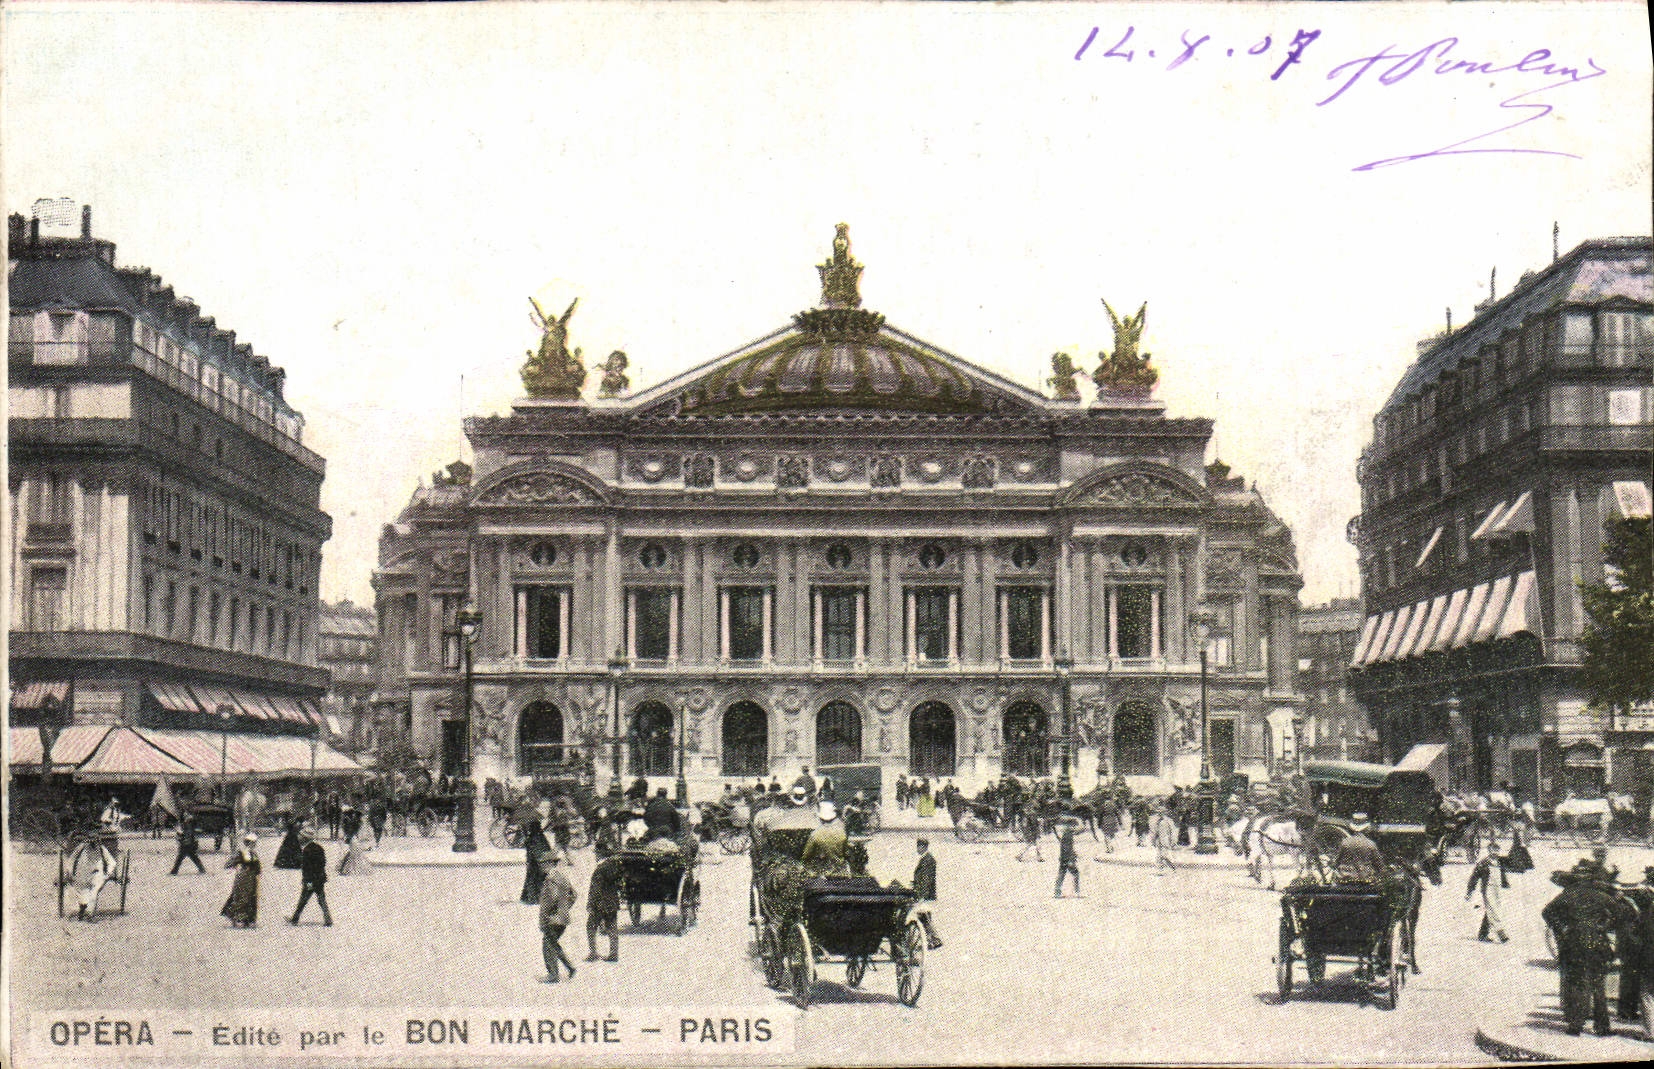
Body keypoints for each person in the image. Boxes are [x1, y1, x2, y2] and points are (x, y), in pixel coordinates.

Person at [1543, 859, 1633, 1036]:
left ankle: (1575, 1025)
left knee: (1577, 984)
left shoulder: (1568, 894)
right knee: (1598, 986)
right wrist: (1606, 926)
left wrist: (1563, 927)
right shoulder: (1601, 895)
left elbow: (1547, 912)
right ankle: (1602, 1027)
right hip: (1597, 942)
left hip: (1573, 942)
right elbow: (1623, 914)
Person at [537, 848, 579, 982]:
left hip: (552, 919)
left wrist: (544, 918)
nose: (541, 866)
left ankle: (553, 975)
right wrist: (564, 908)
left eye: (544, 863)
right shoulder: (562, 877)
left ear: (550, 863)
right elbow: (574, 895)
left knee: (547, 945)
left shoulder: (550, 879)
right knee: (553, 943)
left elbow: (550, 900)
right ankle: (570, 967)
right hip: (563, 918)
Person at [288, 826, 333, 926]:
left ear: (305, 839)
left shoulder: (306, 851)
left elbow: (307, 868)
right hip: (320, 879)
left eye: (301, 837)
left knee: (303, 900)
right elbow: (323, 863)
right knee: (322, 899)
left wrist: (308, 881)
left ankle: (294, 919)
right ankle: (328, 919)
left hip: (310, 880)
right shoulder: (319, 848)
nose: (299, 838)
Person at [1465, 840, 1509, 942]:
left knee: (1492, 910)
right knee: (1493, 909)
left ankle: (1482, 934)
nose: (1495, 853)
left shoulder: (1499, 862)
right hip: (1487, 889)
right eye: (1493, 850)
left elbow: (1502, 874)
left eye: (1497, 851)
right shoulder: (1483, 863)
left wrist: (1505, 883)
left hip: (1497, 889)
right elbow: (1474, 877)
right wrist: (1470, 891)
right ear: (1489, 851)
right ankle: (1501, 934)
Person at [585, 854, 623, 963]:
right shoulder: (615, 868)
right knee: (612, 927)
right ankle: (614, 953)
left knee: (590, 926)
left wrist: (591, 903)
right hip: (612, 902)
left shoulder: (600, 869)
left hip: (600, 903)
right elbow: (619, 885)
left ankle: (593, 953)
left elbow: (595, 888)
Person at [221, 833, 262, 928]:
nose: (254, 845)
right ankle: (236, 917)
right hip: (243, 878)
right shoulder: (242, 852)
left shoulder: (254, 853)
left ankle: (247, 919)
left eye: (254, 843)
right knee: (242, 897)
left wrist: (257, 873)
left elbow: (258, 867)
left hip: (252, 878)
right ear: (248, 843)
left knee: (251, 897)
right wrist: (236, 865)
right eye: (252, 843)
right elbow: (229, 863)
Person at [1333, 813, 1385, 884]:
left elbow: (1336, 862)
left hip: (1345, 880)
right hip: (1364, 880)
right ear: (1366, 829)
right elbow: (1379, 865)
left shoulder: (1344, 842)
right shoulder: (1371, 844)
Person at [802, 801, 849, 874]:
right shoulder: (842, 833)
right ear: (833, 818)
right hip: (839, 871)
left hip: (822, 872)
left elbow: (806, 857)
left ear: (820, 818)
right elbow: (846, 853)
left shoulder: (815, 834)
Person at [912, 838, 943, 949]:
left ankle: (934, 940)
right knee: (924, 918)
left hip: (926, 896)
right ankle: (931, 940)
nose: (918, 849)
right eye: (917, 846)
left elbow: (926, 880)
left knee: (925, 918)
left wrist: (921, 896)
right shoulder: (926, 859)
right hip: (925, 895)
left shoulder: (928, 860)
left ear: (924, 847)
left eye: (919, 846)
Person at [520, 817, 552, 905]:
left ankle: (529, 898)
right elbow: (545, 849)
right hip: (538, 862)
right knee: (537, 880)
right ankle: (535, 898)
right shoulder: (539, 837)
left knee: (531, 880)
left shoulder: (531, 838)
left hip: (533, 862)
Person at [1054, 818, 1081, 897]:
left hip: (1063, 858)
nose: (1075, 828)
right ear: (1071, 825)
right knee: (1076, 873)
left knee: (1061, 874)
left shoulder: (1065, 833)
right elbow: (1067, 848)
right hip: (1067, 858)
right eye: (1074, 826)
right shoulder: (1068, 835)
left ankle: (1057, 892)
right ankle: (1076, 891)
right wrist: (1071, 859)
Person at [1151, 803, 1179, 871]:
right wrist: (1153, 840)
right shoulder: (1157, 821)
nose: (1159, 814)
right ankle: (1161, 869)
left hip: (1166, 841)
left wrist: (1173, 841)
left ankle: (1171, 866)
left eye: (1161, 812)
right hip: (1159, 841)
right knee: (1159, 855)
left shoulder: (1169, 821)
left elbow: (1173, 831)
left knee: (1163, 856)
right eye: (1158, 812)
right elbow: (1155, 832)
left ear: (1164, 813)